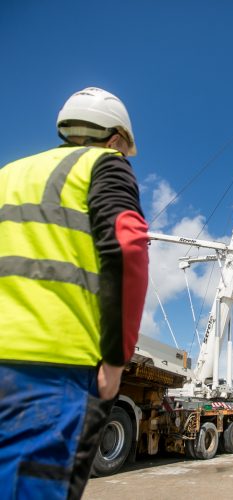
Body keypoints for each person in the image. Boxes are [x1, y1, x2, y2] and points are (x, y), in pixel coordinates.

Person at [0, 87, 149, 499]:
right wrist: (117, 358)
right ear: (116, 138)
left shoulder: (9, 174)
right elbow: (126, 246)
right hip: (51, 368)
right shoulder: (104, 164)